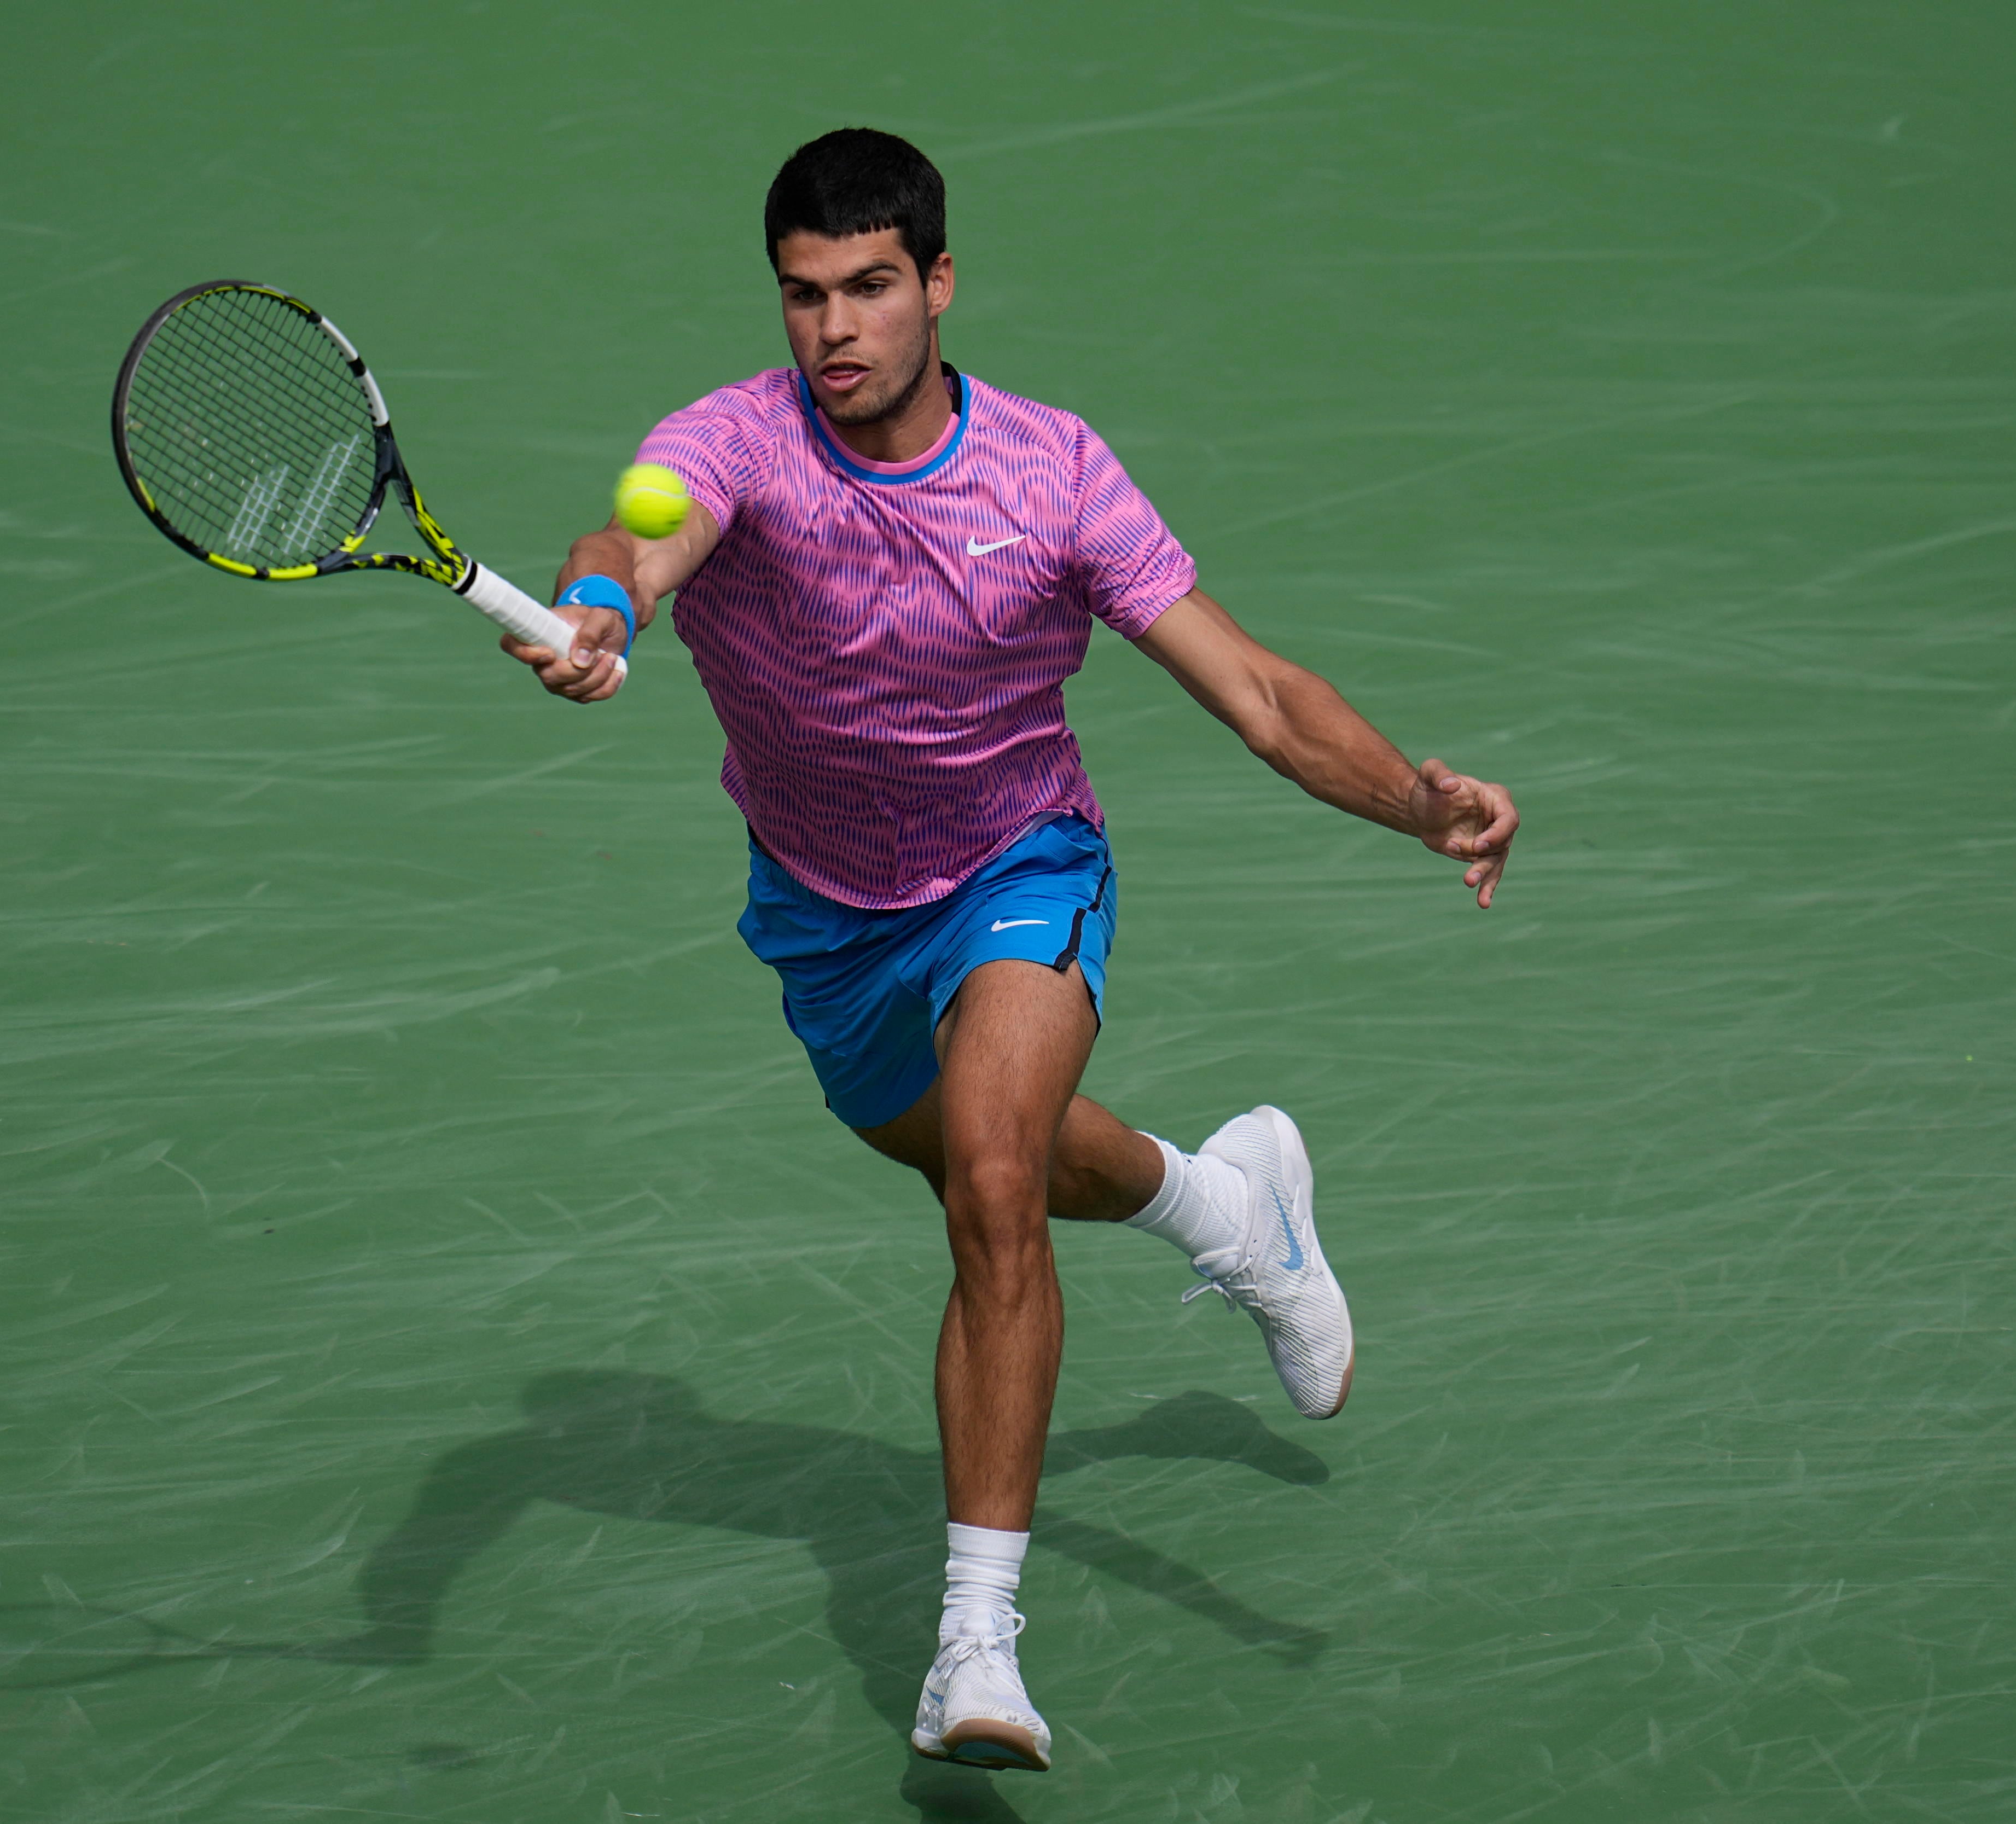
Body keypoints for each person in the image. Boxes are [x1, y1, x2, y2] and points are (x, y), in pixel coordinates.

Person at [503, 127, 1518, 1774]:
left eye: (871, 289)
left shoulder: (1051, 474)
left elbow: (1254, 692)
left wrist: (1419, 802)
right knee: (1010, 1161)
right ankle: (1230, 1205)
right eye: (804, 295)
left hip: (1017, 868)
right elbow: (639, 538)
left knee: (990, 1172)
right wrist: (599, 602)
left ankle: (976, 1643)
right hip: (825, 911)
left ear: (940, 284)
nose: (834, 329)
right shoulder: (735, 442)